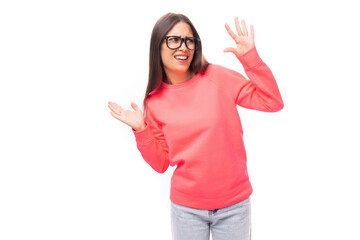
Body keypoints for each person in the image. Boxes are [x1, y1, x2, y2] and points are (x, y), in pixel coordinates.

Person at [108, 12, 283, 240]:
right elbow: (162, 163)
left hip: (234, 206)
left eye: (189, 40)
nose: (183, 47)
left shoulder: (217, 77)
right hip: (186, 210)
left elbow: (272, 102)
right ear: (157, 46)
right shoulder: (155, 101)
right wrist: (142, 130)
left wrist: (250, 58)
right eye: (173, 40)